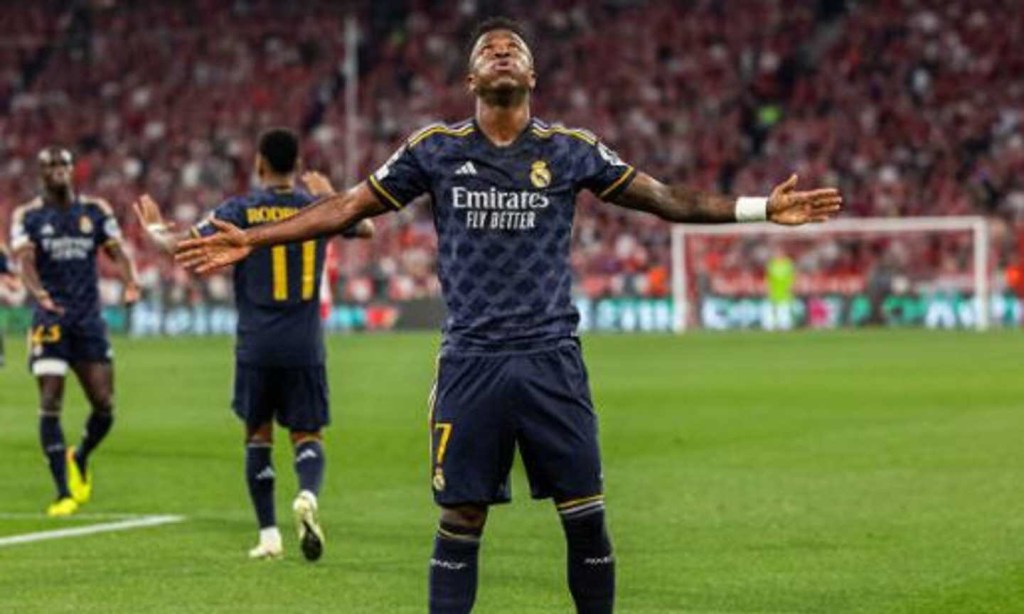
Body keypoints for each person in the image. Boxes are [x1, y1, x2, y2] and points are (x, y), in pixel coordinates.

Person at [176, 18, 842, 612]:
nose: (501, 52)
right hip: (471, 363)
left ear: (532, 75)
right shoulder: (434, 148)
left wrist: (759, 208)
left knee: (585, 517)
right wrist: (254, 238)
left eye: (513, 48)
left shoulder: (571, 149)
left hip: (552, 360)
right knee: (460, 520)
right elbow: (348, 207)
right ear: (471, 78)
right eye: (488, 49)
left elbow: (666, 198)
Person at [134, 128, 374, 561]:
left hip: (256, 345)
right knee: (307, 434)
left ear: (259, 163)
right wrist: (329, 194)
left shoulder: (240, 210)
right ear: (298, 165)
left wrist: (153, 228)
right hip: (304, 345)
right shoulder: (316, 207)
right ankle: (307, 496)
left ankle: (268, 535)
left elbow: (182, 245)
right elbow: (367, 227)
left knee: (257, 436)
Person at [9, 146, 140, 517]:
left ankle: (79, 456)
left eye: (63, 163)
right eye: (50, 165)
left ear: (72, 169)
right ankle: (63, 492)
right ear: (41, 173)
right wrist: (40, 294)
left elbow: (117, 252)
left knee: (104, 405)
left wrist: (130, 283)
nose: (58, 169)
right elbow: (25, 261)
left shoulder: (95, 211)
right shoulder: (27, 215)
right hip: (50, 320)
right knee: (50, 401)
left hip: (88, 321)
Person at [764, 246, 796, 330]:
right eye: (776, 253)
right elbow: (768, 277)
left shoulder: (788, 263)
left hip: (785, 291)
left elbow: (792, 276)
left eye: (780, 253)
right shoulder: (771, 264)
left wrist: (792, 286)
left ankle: (785, 324)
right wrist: (768, 287)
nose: (778, 254)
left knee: (784, 309)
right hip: (774, 291)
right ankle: (770, 325)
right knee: (772, 309)